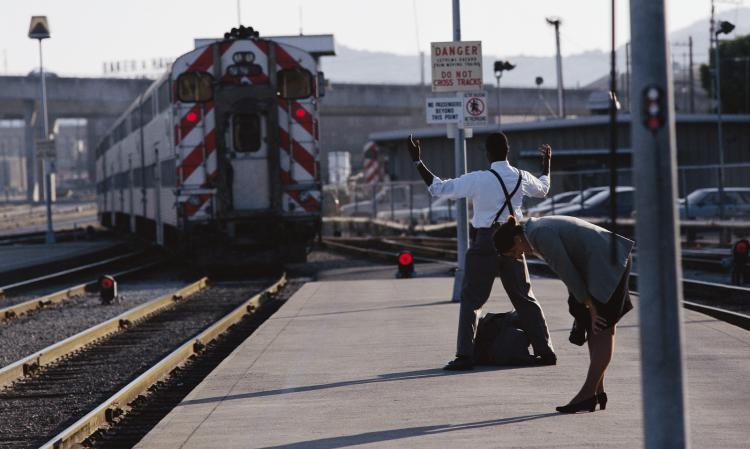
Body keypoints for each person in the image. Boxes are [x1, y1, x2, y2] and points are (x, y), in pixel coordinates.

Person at [407, 132, 556, 370]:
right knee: (525, 298)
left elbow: (438, 188)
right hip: (512, 241)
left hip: (485, 241)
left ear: (487, 153)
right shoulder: (521, 176)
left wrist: (417, 161)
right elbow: (543, 190)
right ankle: (545, 351)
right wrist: (546, 167)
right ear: (508, 151)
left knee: (472, 300)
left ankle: (465, 356)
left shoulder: (478, 179)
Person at [494, 215, 634, 413]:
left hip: (608, 264)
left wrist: (592, 308)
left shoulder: (540, 235)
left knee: (602, 328)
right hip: (601, 262)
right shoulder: (535, 230)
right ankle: (597, 390)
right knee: (595, 328)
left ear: (516, 239)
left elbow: (567, 272)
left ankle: (587, 394)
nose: (518, 256)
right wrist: (584, 308)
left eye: (513, 252)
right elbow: (570, 271)